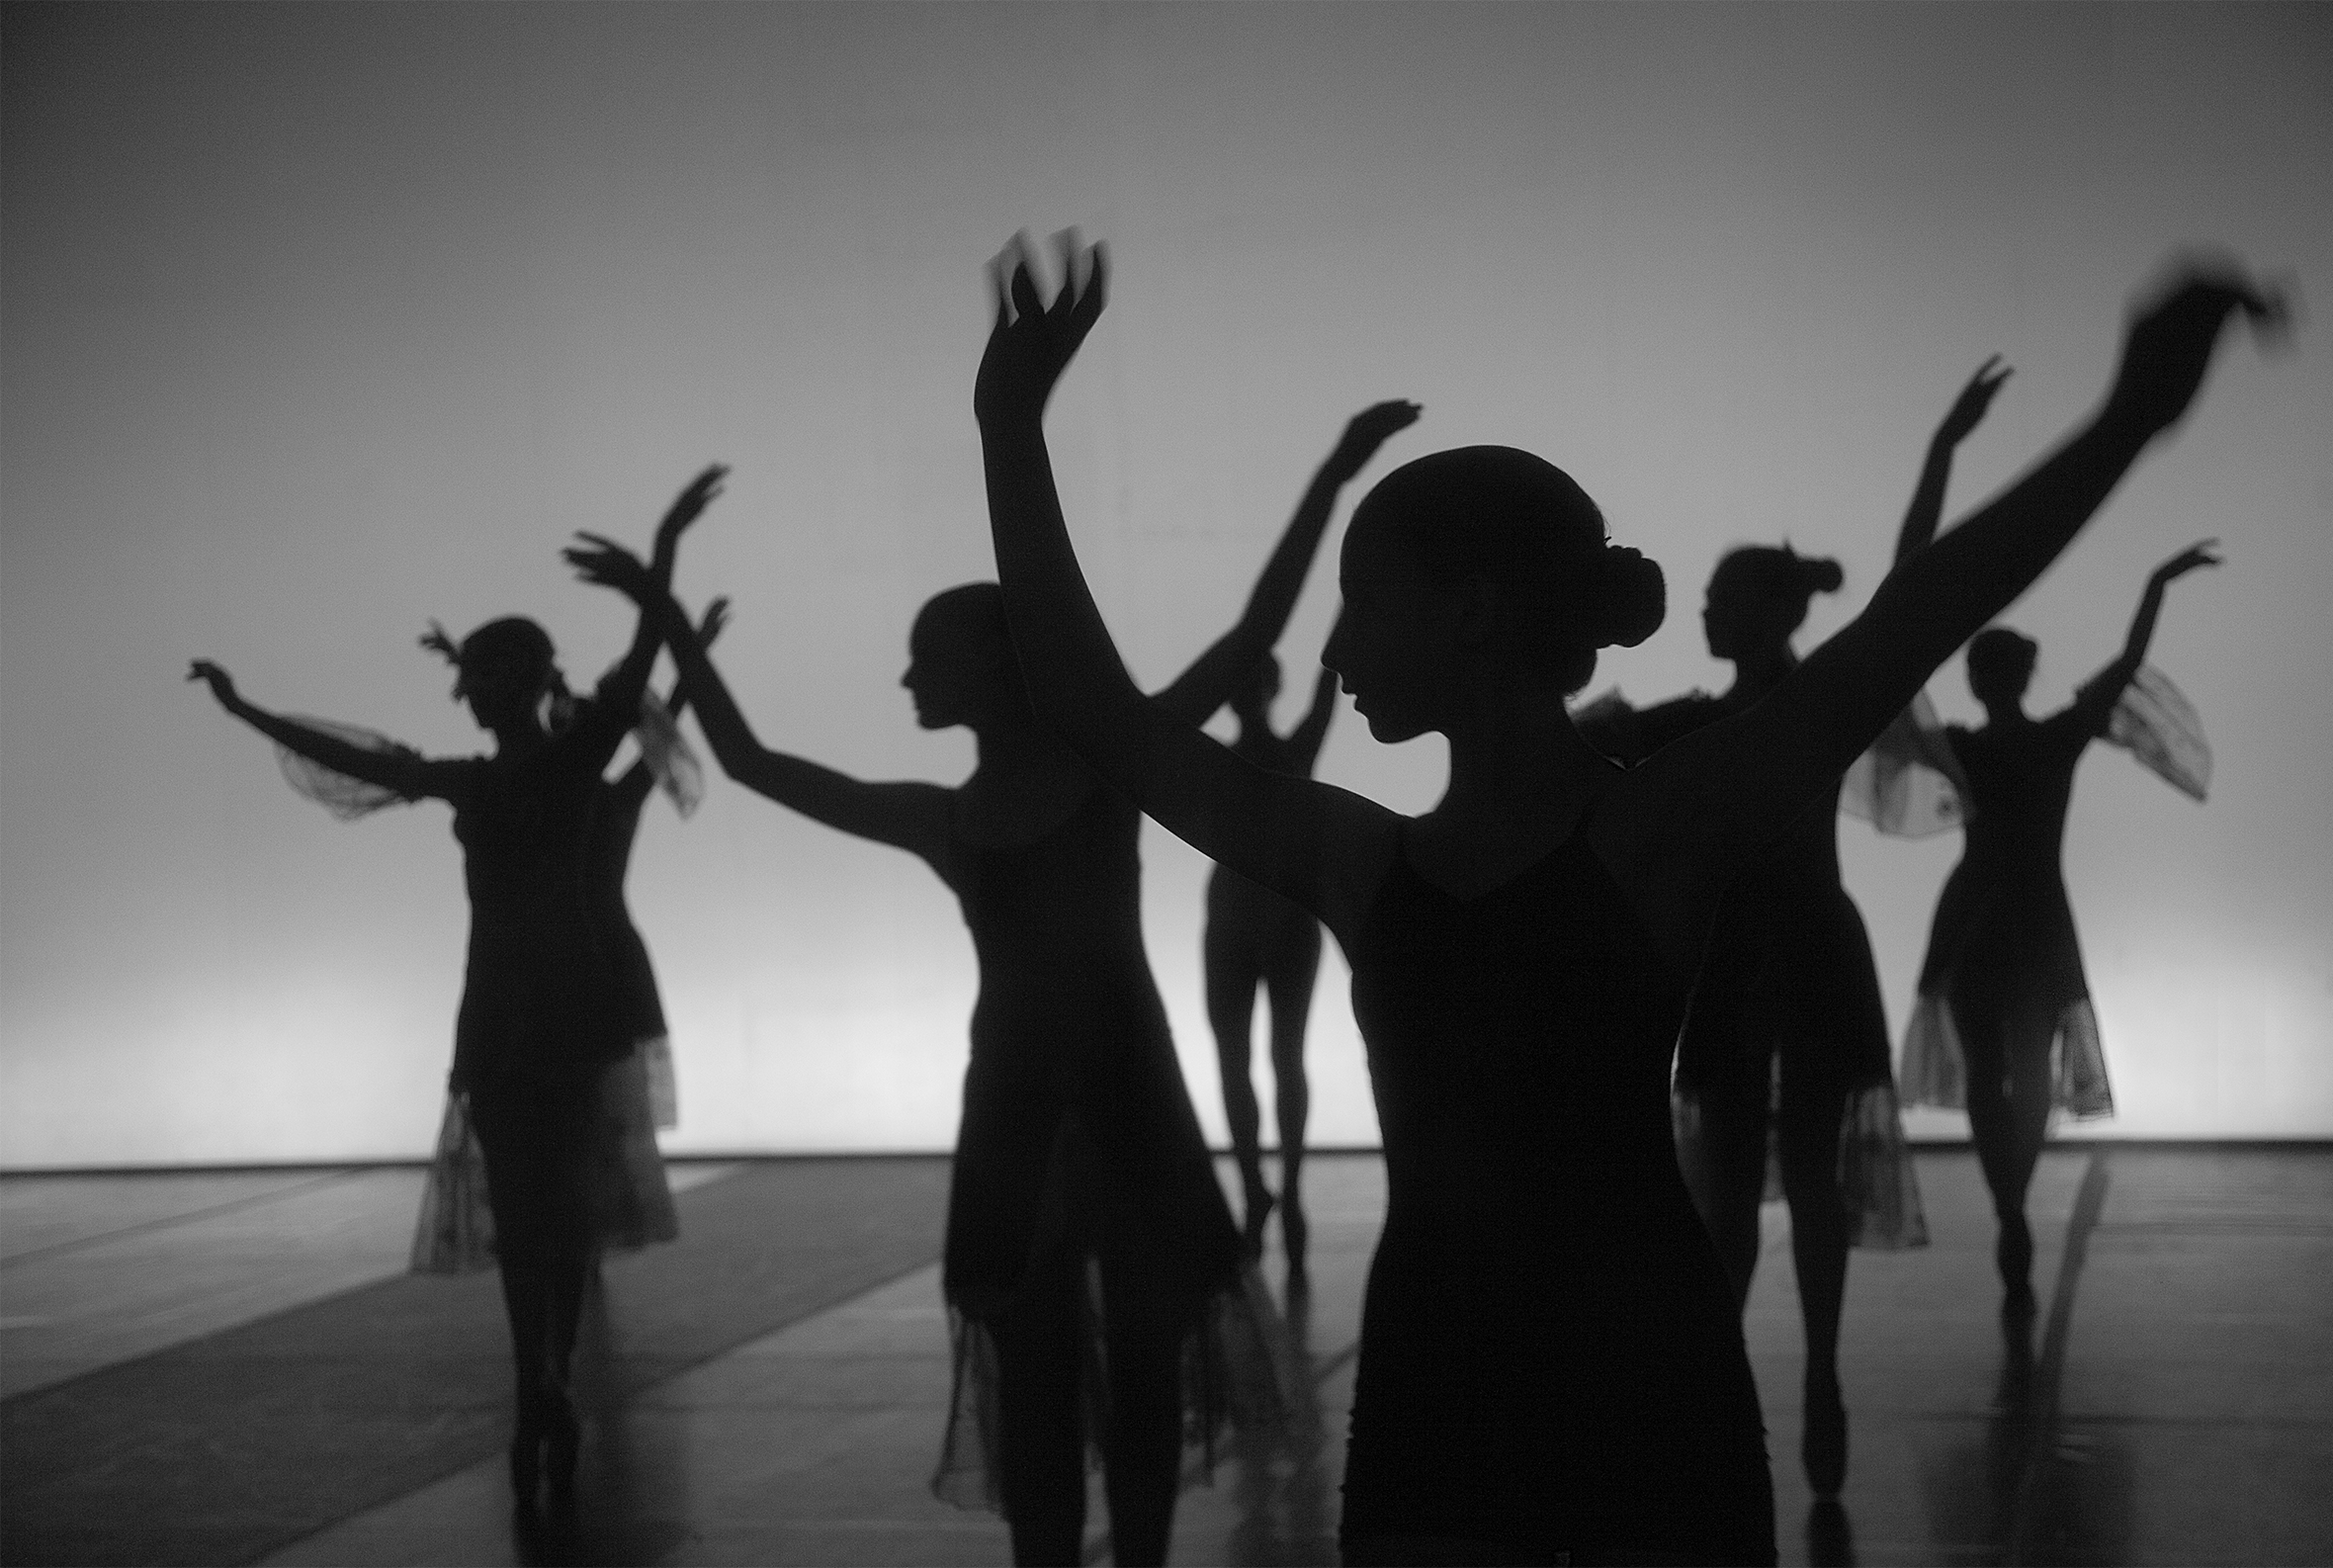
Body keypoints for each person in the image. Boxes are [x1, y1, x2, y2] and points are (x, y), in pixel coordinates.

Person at [971, 231, 2280, 1563]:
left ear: (1472, 611)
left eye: (1365, 600)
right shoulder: (1504, 845)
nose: (1335, 643)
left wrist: (2127, 421)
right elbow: (1096, 714)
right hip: (1559, 1364)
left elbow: (1922, 610)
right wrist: (1007, 426)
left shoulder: (1518, 844)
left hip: (1551, 1379)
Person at [562, 406, 1408, 1566]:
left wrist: (1330, 471)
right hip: (1040, 1097)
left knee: (1138, 1368)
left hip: (1101, 1091)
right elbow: (756, 763)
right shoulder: (960, 813)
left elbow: (1252, 628)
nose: (907, 673)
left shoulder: (1071, 778)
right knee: (1045, 1371)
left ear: (992, 670)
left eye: (929, 654)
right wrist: (661, 609)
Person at [187, 466, 725, 1518]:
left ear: (501, 686)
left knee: (541, 1218)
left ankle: (544, 1378)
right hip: (539, 1013)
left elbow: (631, 674)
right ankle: (543, 1377)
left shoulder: (526, 773)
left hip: (532, 1013)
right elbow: (349, 751)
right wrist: (243, 704)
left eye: (487, 669)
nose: (477, 685)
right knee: (547, 1220)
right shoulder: (529, 770)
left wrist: (661, 559)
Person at [1570, 359, 2012, 1495]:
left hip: (1788, 954)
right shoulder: (1704, 719)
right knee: (1745, 1191)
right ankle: (1768, 1384)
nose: (1707, 611)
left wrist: (1943, 449)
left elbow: (1908, 595)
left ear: (1768, 610)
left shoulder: (1781, 707)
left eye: (1722, 598)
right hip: (1762, 956)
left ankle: (1808, 1375)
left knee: (1780, 1186)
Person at [1899, 543, 2221, 1315]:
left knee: (1988, 1069)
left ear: (1980, 680)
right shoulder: (2053, 741)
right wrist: (2154, 583)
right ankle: (2014, 1202)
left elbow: (1899, 691)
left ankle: (2008, 1208)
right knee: (2028, 1067)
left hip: (1978, 917)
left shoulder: (1971, 750)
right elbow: (2125, 663)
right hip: (2037, 917)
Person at [1205, 403, 1418, 1275]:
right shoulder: (1277, 756)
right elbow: (1325, 678)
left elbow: (1328, 675)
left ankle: (1270, 1185)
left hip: (1256, 918)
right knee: (1260, 1060)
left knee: (1262, 1060)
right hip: (1267, 918)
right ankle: (1269, 1185)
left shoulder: (1243, 760)